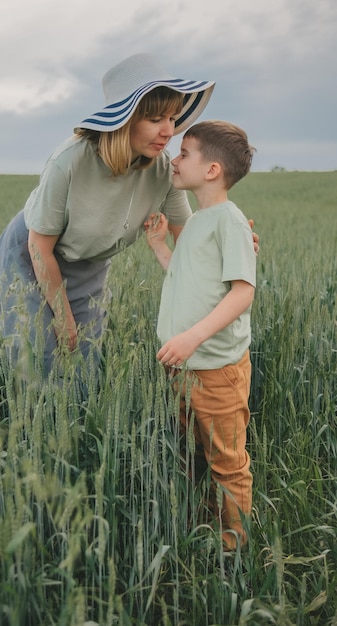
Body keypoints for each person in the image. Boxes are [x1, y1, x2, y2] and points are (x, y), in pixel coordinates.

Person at [0, 52, 257, 379]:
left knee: (83, 364)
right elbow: (39, 247)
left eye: (173, 117)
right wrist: (62, 318)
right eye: (156, 119)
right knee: (31, 358)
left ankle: (77, 431)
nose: (169, 131)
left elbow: (188, 240)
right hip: (31, 256)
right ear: (125, 119)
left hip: (91, 263)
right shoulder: (69, 162)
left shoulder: (163, 171)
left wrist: (229, 242)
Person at [145, 120, 256, 551]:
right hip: (185, 368)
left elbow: (242, 292)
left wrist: (192, 337)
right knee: (196, 457)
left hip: (216, 371)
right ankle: (208, 528)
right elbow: (189, 281)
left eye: (185, 152)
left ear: (211, 170)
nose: (175, 158)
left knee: (227, 463)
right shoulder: (197, 222)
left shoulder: (229, 221)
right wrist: (159, 246)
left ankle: (236, 551)